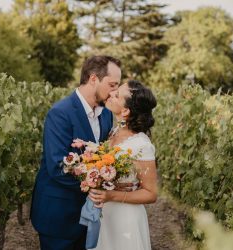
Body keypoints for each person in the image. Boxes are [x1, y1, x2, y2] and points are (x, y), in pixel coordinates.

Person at [30, 55, 122, 250]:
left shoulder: (106, 115)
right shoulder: (60, 113)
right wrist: (95, 185)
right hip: (59, 216)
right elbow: (57, 166)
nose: (115, 92)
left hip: (90, 214)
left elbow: (103, 157)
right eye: (112, 85)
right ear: (93, 78)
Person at [88, 80, 158, 250]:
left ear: (125, 111)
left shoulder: (141, 145)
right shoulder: (113, 131)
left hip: (125, 217)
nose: (111, 93)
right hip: (106, 214)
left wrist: (111, 196)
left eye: (117, 95)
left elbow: (151, 194)